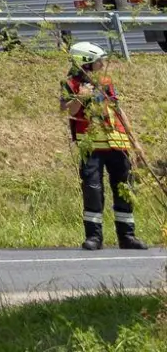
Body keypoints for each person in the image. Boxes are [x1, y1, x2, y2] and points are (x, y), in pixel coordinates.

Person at [62, 41, 148, 251]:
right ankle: (94, 237)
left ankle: (127, 235)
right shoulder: (71, 83)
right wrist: (81, 97)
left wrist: (134, 140)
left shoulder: (106, 81)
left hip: (118, 143)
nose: (103, 64)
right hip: (91, 146)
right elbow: (68, 111)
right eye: (99, 61)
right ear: (86, 62)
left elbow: (118, 109)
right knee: (93, 190)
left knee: (124, 188)